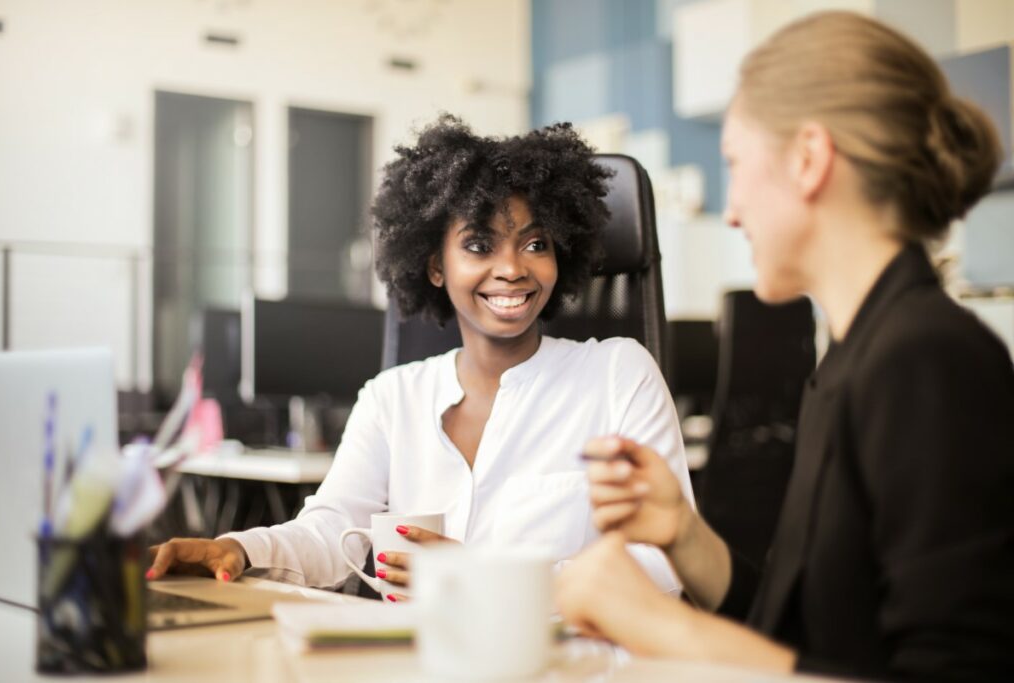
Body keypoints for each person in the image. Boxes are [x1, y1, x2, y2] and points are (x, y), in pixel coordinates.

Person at [556, 11, 1014, 682]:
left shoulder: (927, 360)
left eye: (736, 164)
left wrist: (659, 624)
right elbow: (797, 636)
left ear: (808, 159)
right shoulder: (850, 361)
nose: (733, 209)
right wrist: (682, 531)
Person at [148, 115, 694, 600]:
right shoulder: (392, 396)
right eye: (480, 245)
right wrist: (238, 549)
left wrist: (490, 576)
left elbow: (664, 562)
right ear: (435, 266)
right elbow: (330, 531)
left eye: (535, 244)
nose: (512, 268)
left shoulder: (618, 373)